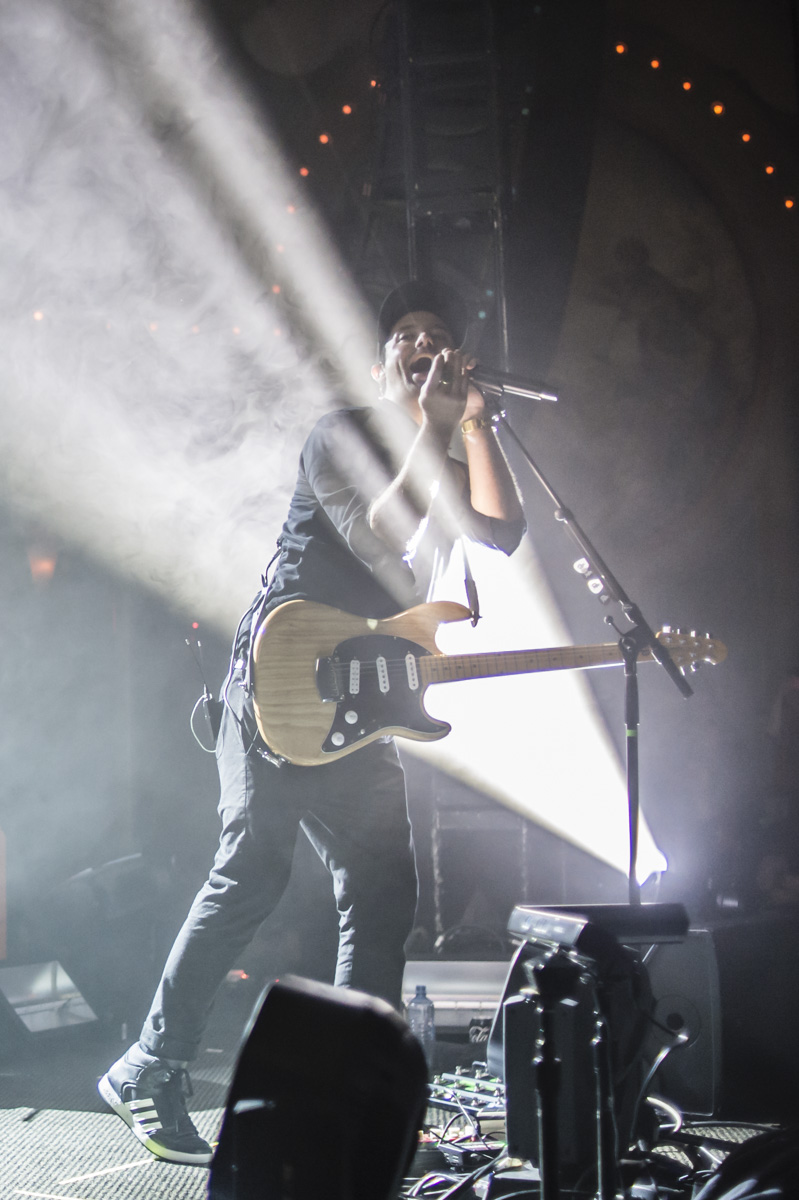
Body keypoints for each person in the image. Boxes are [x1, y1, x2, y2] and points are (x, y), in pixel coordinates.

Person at [98, 280, 525, 1164]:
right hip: (279, 679)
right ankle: (150, 1065)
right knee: (252, 866)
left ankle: (348, 1097)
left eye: (438, 336)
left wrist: (474, 423)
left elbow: (502, 531)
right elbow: (386, 530)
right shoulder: (340, 435)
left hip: (359, 703)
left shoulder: (446, 442)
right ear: (380, 367)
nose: (423, 346)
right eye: (407, 337)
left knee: (381, 893)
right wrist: (434, 428)